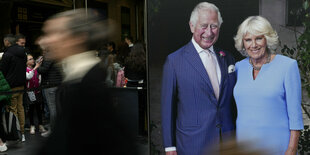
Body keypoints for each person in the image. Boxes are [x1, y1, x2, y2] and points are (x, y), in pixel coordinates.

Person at [35, 8, 136, 155]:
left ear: (78, 38)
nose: (43, 41)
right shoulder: (76, 80)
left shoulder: (88, 87)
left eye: (54, 33)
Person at [161, 2, 236, 155]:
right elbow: (167, 108)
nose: (209, 32)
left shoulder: (228, 58)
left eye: (214, 26)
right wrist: (170, 146)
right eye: (204, 26)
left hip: (227, 144)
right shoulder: (174, 61)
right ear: (191, 26)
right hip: (193, 144)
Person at [233, 16, 304, 155]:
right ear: (243, 43)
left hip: (278, 147)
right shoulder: (238, 68)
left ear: (267, 39)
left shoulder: (288, 66)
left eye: (258, 38)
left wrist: (291, 149)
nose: (253, 45)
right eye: (248, 40)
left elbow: (295, 116)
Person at [0, 34, 27, 142]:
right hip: (22, 85)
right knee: (21, 109)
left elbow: (2, 71)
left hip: (11, 86)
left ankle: (15, 134)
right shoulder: (23, 53)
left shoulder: (7, 54)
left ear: (7, 42)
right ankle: (23, 133)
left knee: (12, 110)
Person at [36, 45, 63, 137]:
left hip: (50, 85)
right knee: (57, 108)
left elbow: (44, 70)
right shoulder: (58, 55)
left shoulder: (49, 55)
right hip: (58, 84)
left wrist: (37, 66)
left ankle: (53, 130)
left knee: (53, 109)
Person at [25, 54, 47, 135]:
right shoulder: (26, 70)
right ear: (26, 62)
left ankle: (41, 125)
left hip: (37, 91)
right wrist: (35, 67)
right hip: (30, 92)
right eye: (30, 59)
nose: (32, 60)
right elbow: (29, 77)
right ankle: (32, 125)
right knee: (31, 109)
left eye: (32, 58)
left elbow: (39, 78)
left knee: (39, 109)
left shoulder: (37, 69)